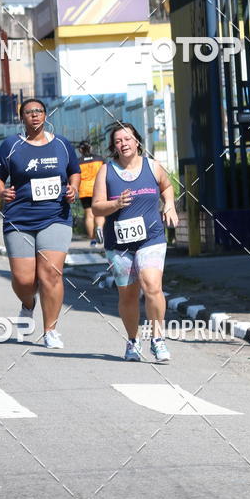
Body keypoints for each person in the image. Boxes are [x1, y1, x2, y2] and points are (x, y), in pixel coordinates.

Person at [0, 98, 81, 349]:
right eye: (29, 112)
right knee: (24, 280)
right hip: (20, 218)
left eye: (39, 111)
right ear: (22, 118)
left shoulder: (62, 144)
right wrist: (1, 191)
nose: (35, 115)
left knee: (50, 274)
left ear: (45, 115)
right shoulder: (11, 145)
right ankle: (28, 304)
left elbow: (75, 171)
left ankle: (50, 330)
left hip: (56, 216)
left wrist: (73, 188)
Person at [92, 123, 178, 362]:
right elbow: (97, 206)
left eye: (128, 139)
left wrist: (169, 204)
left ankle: (158, 339)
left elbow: (167, 186)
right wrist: (115, 204)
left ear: (137, 141)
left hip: (151, 237)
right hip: (119, 243)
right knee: (128, 295)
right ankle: (133, 340)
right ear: (114, 147)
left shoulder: (153, 166)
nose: (124, 144)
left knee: (152, 286)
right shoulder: (106, 171)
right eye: (119, 141)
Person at [78, 141, 105, 245]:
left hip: (84, 190)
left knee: (89, 215)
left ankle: (92, 239)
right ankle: (99, 228)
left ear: (80, 150)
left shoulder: (78, 162)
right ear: (91, 148)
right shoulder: (99, 159)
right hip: (98, 188)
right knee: (100, 212)